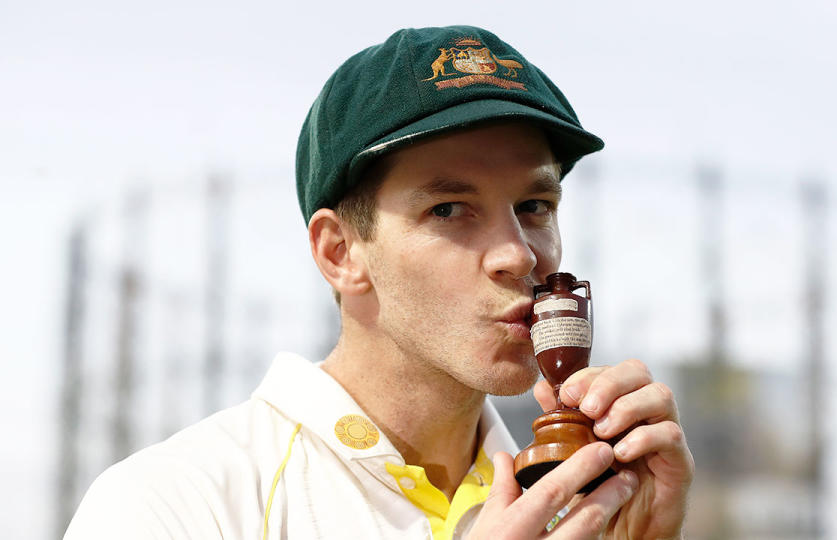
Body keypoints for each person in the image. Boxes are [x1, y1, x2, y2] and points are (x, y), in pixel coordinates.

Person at [65, 25, 694, 539]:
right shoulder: (176, 503)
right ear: (340, 252)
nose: (517, 255)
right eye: (448, 209)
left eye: (534, 207)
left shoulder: (585, 500)